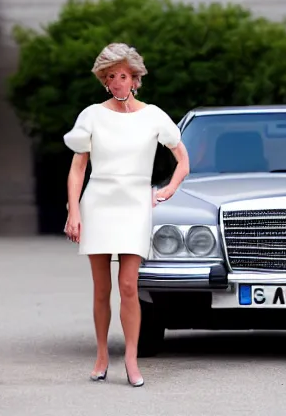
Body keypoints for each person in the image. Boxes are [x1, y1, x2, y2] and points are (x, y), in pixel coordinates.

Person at [63, 43, 190, 387]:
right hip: (98, 202)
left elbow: (183, 160)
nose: (117, 82)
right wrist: (73, 210)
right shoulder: (91, 115)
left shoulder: (153, 116)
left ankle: (132, 360)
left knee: (129, 286)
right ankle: (102, 355)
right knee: (101, 288)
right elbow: (78, 169)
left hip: (134, 203)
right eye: (110, 77)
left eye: (123, 76)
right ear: (104, 81)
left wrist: (167, 190)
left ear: (134, 79)